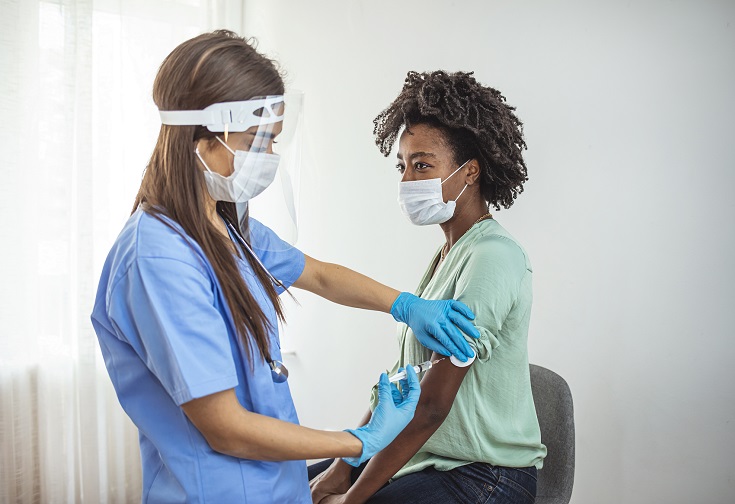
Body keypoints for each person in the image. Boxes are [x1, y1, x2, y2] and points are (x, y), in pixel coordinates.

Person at [90, 33, 481, 504]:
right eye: (258, 142)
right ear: (204, 137)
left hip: (276, 486)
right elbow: (226, 429)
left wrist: (405, 305)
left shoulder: (225, 223)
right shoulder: (157, 259)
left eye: (273, 142)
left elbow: (316, 274)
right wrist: (358, 442)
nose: (269, 158)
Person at [308, 71, 547, 504]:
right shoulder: (445, 258)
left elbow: (433, 405)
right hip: (431, 459)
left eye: (422, 164)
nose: (407, 181)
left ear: (469, 172)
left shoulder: (493, 256)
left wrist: (352, 497)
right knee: (282, 484)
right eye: (402, 166)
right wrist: (342, 466)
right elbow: (405, 383)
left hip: (485, 476)